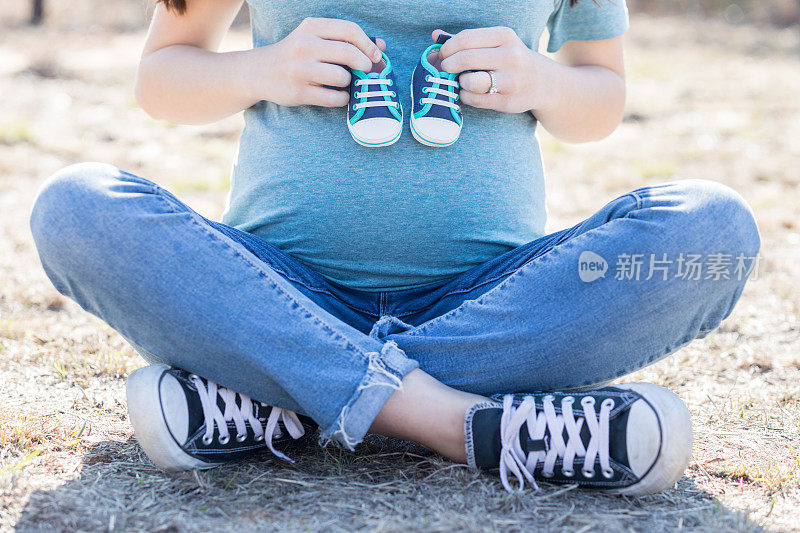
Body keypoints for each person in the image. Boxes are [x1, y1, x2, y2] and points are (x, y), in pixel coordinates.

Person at [29, 0, 760, 495]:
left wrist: (540, 80)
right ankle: (455, 419)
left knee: (715, 232)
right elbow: (163, 77)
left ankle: (288, 397)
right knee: (77, 207)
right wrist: (260, 69)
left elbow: (601, 94)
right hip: (284, 287)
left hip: (490, 299)